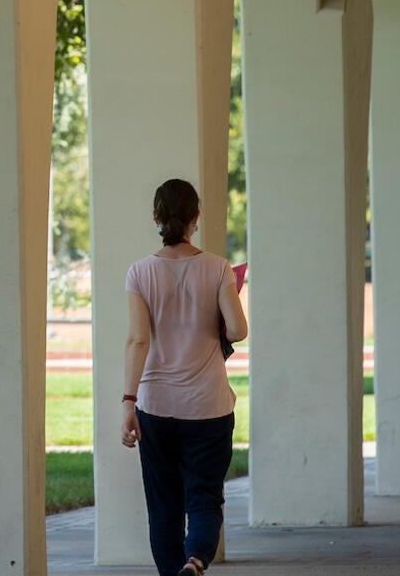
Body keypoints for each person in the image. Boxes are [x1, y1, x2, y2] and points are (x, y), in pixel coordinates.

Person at [119, 178, 247, 576]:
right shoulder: (217, 268)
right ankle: (195, 560)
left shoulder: (139, 273)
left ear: (156, 217)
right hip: (208, 406)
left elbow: (139, 340)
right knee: (205, 497)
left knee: (163, 505)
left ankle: (173, 568)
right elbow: (239, 330)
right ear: (196, 217)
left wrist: (128, 403)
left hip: (156, 407)